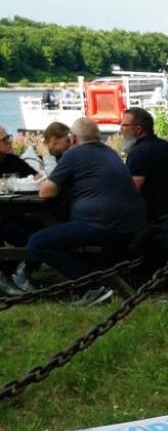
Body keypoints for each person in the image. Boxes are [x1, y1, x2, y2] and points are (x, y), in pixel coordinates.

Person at [11, 116, 146, 300]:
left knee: (38, 241)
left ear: (73, 139)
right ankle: (92, 280)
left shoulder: (75, 154)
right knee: (56, 231)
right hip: (132, 224)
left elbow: (46, 192)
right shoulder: (110, 153)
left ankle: (91, 287)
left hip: (102, 226)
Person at [121, 106, 168, 220]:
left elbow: (131, 191)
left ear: (138, 129)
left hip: (151, 218)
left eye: (125, 125)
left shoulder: (138, 152)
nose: (121, 130)